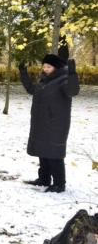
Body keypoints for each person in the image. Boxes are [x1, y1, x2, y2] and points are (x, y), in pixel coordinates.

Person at [19, 54, 79, 193]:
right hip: (41, 121)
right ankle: (44, 179)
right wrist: (23, 74)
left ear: (56, 67)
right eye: (44, 66)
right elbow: (32, 90)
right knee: (43, 152)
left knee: (54, 154)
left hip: (56, 123)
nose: (45, 69)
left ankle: (59, 183)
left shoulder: (63, 80)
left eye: (48, 67)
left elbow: (72, 91)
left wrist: (72, 74)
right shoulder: (44, 80)